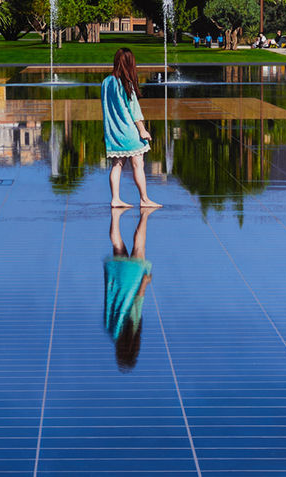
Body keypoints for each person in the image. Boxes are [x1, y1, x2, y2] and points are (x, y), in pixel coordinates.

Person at [101, 48, 161, 209]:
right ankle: (144, 199)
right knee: (138, 164)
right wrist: (142, 130)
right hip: (129, 131)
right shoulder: (125, 84)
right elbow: (134, 110)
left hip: (113, 130)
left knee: (117, 164)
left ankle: (115, 199)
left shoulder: (106, 82)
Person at [105, 207, 157, 371]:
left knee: (139, 247)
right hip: (119, 279)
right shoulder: (112, 328)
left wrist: (144, 282)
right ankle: (115, 215)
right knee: (117, 244)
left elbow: (137, 302)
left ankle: (145, 214)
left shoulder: (132, 329)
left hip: (134, 279)